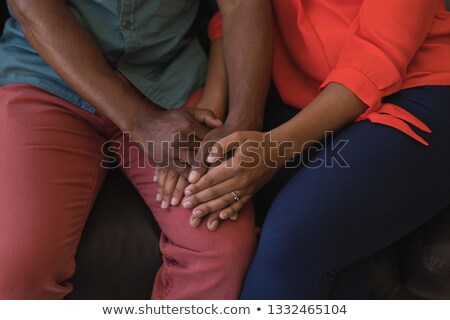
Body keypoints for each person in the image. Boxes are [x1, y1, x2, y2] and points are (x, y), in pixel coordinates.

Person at [0, 0, 272, 299]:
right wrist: (142, 123)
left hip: (169, 82)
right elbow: (32, 7)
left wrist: (243, 124)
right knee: (14, 268)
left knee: (223, 251)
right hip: (48, 75)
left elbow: (241, 5)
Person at [182, 0, 450, 299]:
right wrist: (211, 117)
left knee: (295, 236)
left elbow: (378, 52)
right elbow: (235, 12)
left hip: (416, 94)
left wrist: (274, 148)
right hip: (306, 103)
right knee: (219, 191)